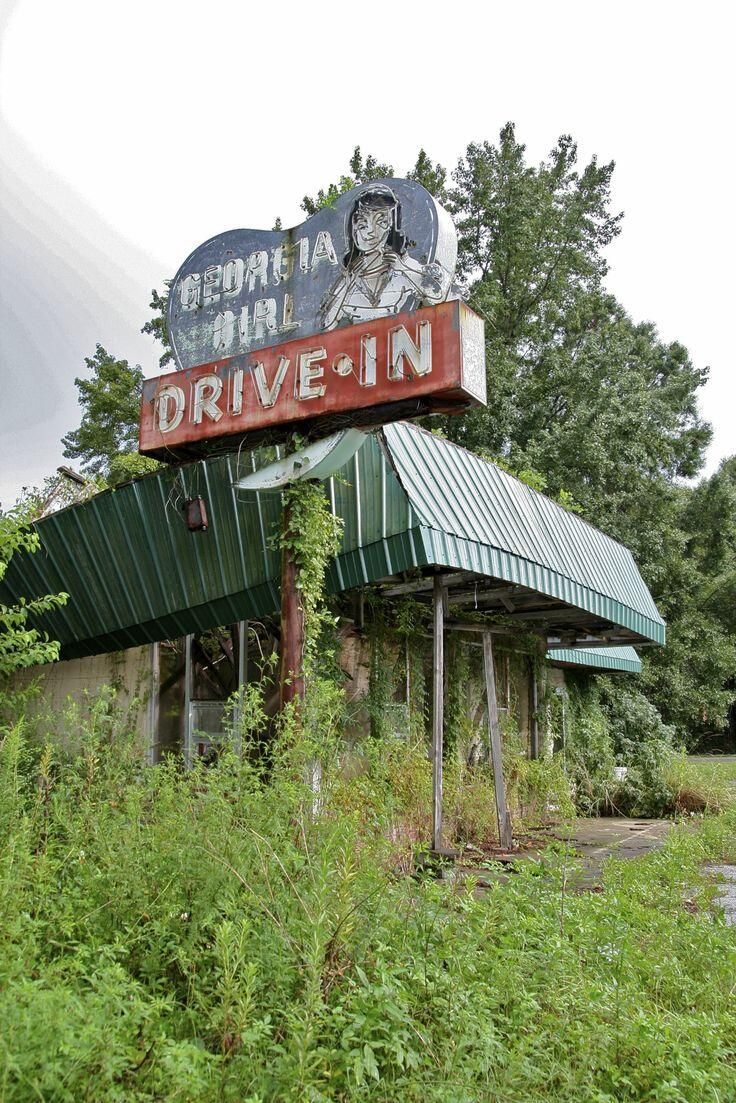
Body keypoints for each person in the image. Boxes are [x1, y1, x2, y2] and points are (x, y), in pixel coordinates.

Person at [321, 184, 452, 330]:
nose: (371, 232)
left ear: (391, 228)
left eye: (381, 222)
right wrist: (347, 284)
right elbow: (326, 324)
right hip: (354, 350)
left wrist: (404, 270)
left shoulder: (403, 265)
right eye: (363, 224)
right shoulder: (348, 277)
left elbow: (438, 297)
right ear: (353, 229)